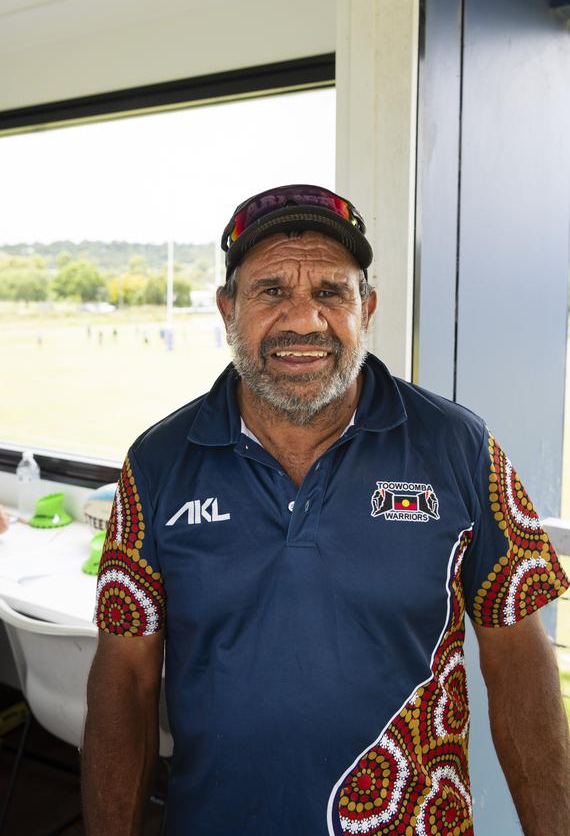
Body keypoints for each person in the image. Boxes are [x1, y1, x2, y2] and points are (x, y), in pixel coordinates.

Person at [82, 184, 570, 836]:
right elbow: (125, 682)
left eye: (331, 293)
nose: (304, 321)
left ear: (366, 307)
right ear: (229, 309)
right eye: (272, 291)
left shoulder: (458, 446)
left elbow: (517, 660)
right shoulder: (157, 463)